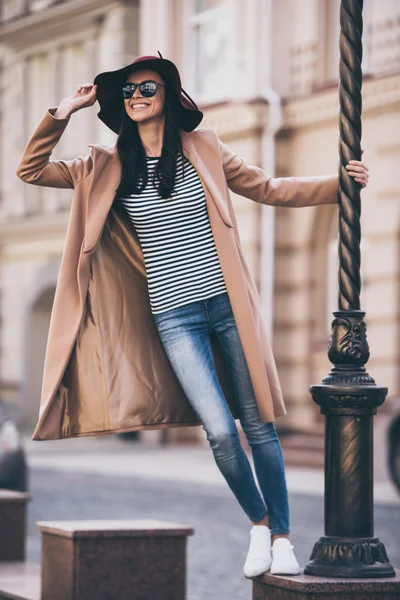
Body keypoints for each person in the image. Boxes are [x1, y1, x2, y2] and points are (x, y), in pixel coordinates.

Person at [16, 53, 369, 579]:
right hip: (175, 318)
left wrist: (341, 185)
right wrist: (62, 111)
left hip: (228, 308)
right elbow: (31, 169)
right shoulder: (105, 165)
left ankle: (282, 537)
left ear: (169, 95)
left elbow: (268, 188)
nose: (136, 96)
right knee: (221, 433)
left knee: (259, 424)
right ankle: (258, 523)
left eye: (147, 88)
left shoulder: (204, 149)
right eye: (128, 90)